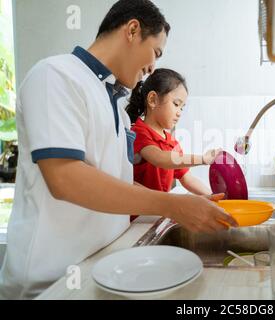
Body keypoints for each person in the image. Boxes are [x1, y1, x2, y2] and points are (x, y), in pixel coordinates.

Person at [0, 0, 237, 300]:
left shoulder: (118, 108)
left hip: (104, 267)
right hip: (50, 284)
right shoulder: (56, 75)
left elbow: (119, 183)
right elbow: (66, 179)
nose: (153, 66)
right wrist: (172, 206)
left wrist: (184, 206)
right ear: (133, 30)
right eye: (156, 52)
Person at [127, 68, 218, 199]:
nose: (179, 112)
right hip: (138, 215)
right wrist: (203, 159)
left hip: (157, 211)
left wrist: (215, 196)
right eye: (176, 104)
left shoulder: (171, 143)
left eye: (182, 107)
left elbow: (188, 179)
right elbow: (160, 158)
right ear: (153, 100)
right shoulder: (138, 133)